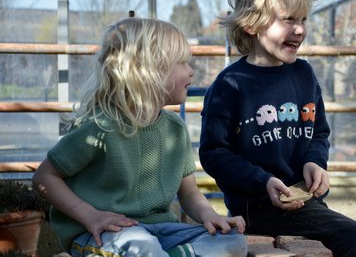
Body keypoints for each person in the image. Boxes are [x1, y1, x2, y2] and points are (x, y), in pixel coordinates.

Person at [33, 17, 248, 257]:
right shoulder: (100, 127)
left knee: (232, 242)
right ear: (148, 70)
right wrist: (91, 216)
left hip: (161, 231)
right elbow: (44, 177)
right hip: (101, 232)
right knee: (143, 248)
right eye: (182, 63)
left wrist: (210, 215)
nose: (191, 71)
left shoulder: (175, 129)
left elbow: (189, 193)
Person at [199, 0, 356, 257]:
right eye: (289, 19)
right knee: (352, 236)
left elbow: (318, 132)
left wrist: (315, 162)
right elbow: (214, 152)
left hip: (304, 202)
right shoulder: (230, 84)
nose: (300, 29)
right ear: (252, 25)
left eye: (303, 19)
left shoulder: (304, 74)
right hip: (258, 208)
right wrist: (262, 181)